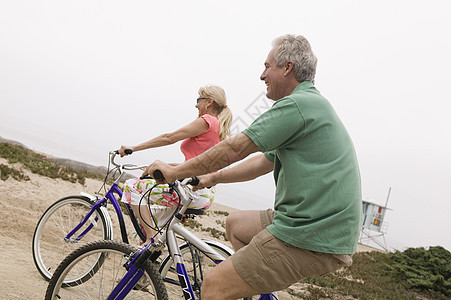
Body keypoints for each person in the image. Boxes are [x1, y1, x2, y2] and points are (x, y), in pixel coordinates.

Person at [143, 34, 362, 299]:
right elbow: (262, 162)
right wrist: (211, 178)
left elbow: (236, 148)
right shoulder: (310, 105)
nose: (262, 75)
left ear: (287, 67)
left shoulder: (297, 105)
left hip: (310, 231)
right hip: (311, 222)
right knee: (236, 224)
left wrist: (175, 172)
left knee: (213, 287)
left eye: (267, 66)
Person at [118, 85, 232, 243]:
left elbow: (169, 137)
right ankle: (150, 254)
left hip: (190, 190)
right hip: (204, 192)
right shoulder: (219, 126)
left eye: (198, 100)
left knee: (132, 186)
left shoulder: (207, 121)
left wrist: (134, 148)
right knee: (147, 224)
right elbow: (196, 164)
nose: (196, 105)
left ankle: (152, 239)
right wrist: (167, 166)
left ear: (209, 102)